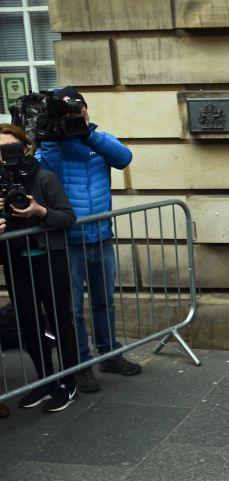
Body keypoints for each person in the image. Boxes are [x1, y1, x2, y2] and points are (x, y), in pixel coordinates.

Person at [35, 86, 137, 395]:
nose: (75, 119)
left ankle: (110, 354)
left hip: (101, 236)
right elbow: (46, 175)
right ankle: (81, 365)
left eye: (79, 112)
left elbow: (124, 158)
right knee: (72, 309)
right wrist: (53, 136)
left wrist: (87, 133)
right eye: (69, 116)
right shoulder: (50, 149)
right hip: (68, 240)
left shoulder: (95, 140)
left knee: (104, 301)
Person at [0, 124, 80, 412]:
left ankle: (68, 383)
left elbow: (69, 218)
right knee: (30, 324)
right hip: (15, 261)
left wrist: (40, 211)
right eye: (0, 150)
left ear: (25, 148)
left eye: (10, 148)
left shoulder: (45, 178)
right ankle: (45, 382)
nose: (5, 155)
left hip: (49, 259)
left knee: (60, 321)